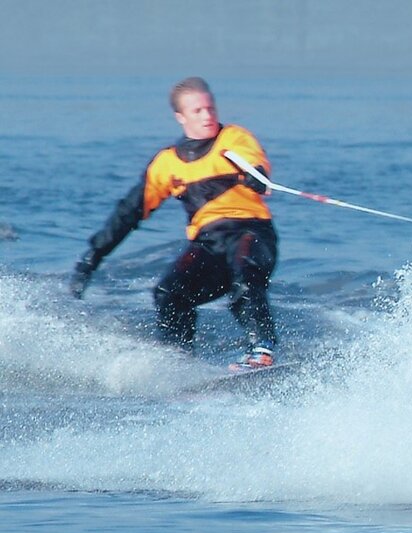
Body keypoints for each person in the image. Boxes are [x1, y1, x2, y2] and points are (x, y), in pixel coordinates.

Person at [70, 77, 278, 370]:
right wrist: (93, 257)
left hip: (252, 233)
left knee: (244, 273)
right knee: (169, 293)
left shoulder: (233, 139)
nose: (208, 116)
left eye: (210, 108)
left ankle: (262, 350)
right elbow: (128, 213)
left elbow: (254, 162)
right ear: (180, 117)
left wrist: (256, 176)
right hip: (209, 243)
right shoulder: (167, 163)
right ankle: (178, 364)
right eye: (198, 111)